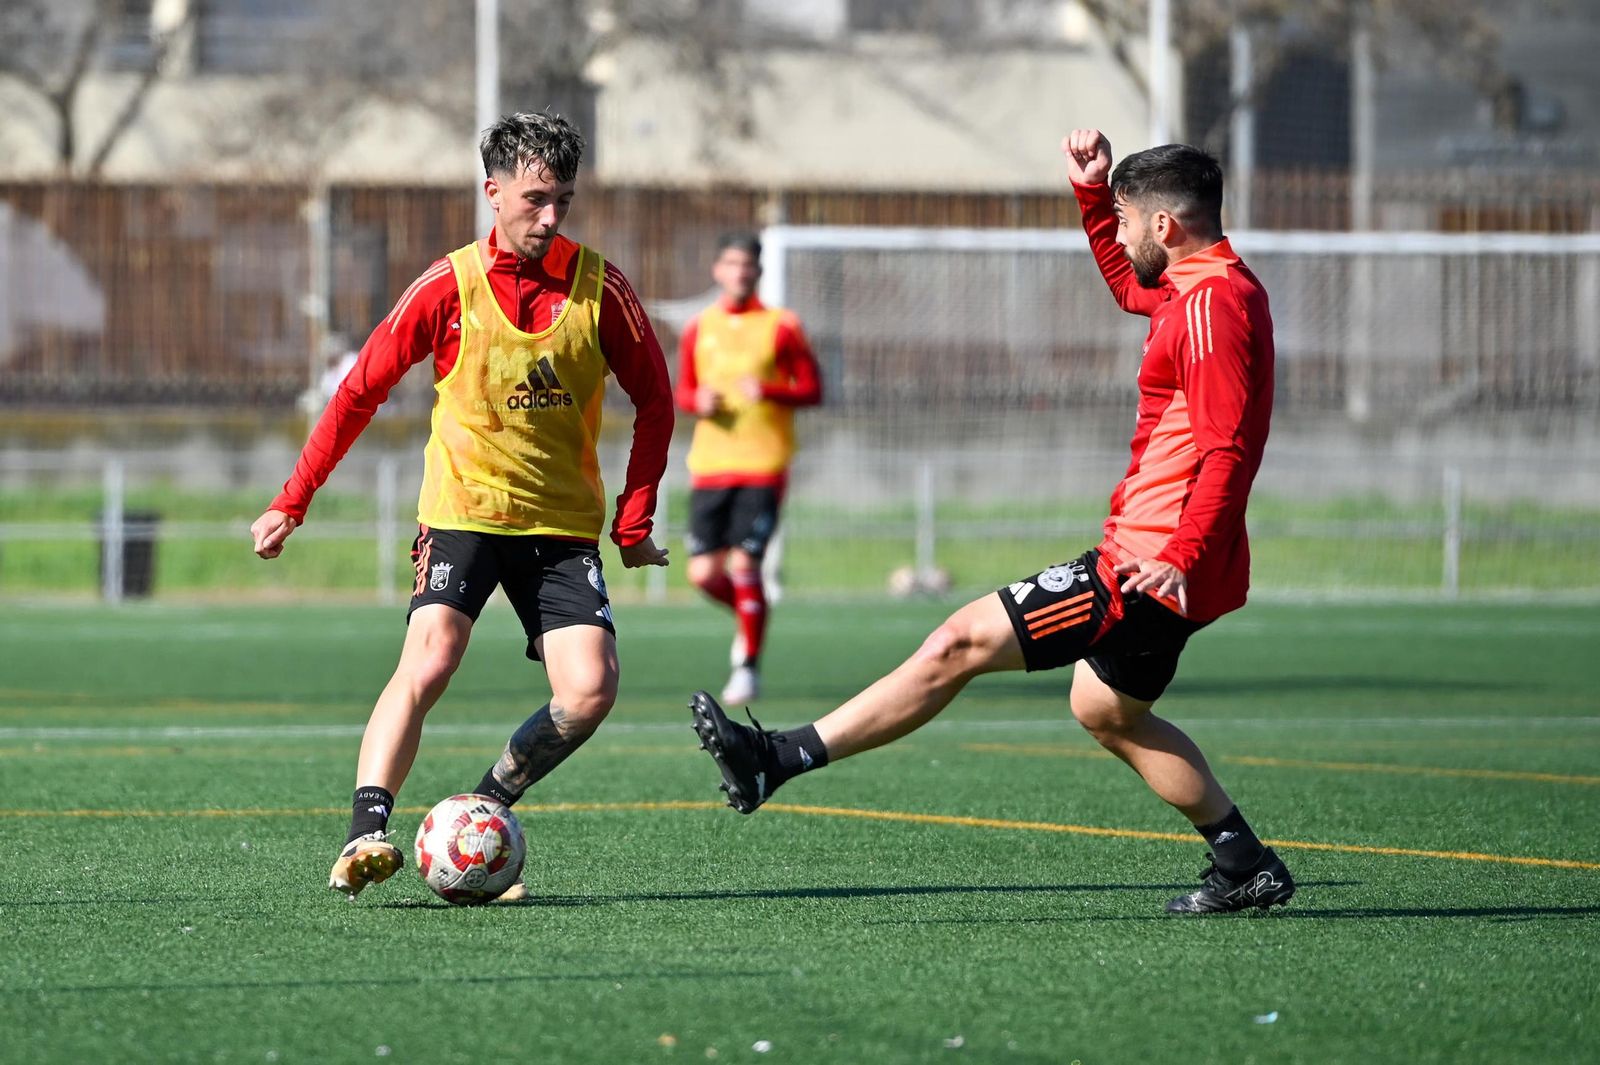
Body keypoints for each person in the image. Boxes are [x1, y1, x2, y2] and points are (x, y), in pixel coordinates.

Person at [689, 129, 1294, 915]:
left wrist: (1181, 550)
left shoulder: (1213, 303)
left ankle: (778, 756)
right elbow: (1128, 289)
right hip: (1164, 557)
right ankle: (1244, 860)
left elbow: (1228, 447)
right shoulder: (1196, 285)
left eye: (1123, 220)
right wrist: (1091, 191)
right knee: (1107, 709)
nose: (1115, 233)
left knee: (958, 641)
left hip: (1148, 563)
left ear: (1166, 228)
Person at [250, 110, 673, 900]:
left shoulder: (601, 288)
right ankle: (364, 833)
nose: (551, 217)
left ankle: (482, 808)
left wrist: (634, 522)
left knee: (589, 691)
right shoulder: (448, 287)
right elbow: (359, 391)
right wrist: (292, 501)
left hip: (558, 527)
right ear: (494, 192)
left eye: (565, 201)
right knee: (433, 654)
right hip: (464, 510)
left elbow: (658, 401)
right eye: (536, 198)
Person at [674, 233, 822, 705]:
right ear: (718, 270)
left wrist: (772, 391)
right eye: (731, 263)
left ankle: (747, 667)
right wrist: (698, 401)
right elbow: (683, 391)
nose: (740, 272)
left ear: (758, 271)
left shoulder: (782, 325)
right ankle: (751, 616)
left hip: (763, 465)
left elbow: (814, 388)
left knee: (744, 564)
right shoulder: (700, 327)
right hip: (710, 466)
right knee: (702, 574)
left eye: (748, 265)